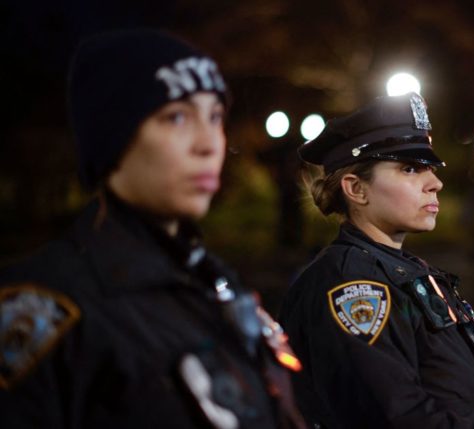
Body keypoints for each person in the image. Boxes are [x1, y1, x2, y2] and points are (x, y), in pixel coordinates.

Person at [0, 30, 304, 429]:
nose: (209, 143)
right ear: (112, 139)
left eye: (215, 116)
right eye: (176, 117)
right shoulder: (45, 309)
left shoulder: (212, 280)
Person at [279, 92, 474, 428]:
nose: (435, 183)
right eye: (410, 169)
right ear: (356, 189)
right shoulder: (350, 286)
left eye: (429, 168)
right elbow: (398, 415)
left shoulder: (410, 271)